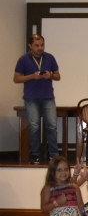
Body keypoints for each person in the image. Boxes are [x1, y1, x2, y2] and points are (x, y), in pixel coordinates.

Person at [14, 34, 60, 164]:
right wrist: (32, 76)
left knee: (52, 126)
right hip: (31, 98)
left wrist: (50, 75)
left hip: (48, 97)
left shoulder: (49, 57)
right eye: (37, 45)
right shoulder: (23, 59)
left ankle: (54, 155)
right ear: (30, 45)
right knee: (34, 126)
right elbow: (16, 78)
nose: (40, 48)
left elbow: (58, 76)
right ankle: (35, 154)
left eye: (42, 45)